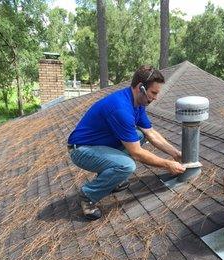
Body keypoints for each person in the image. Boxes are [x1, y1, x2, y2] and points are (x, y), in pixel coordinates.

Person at [67, 65, 186, 220]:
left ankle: (111, 180)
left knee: (139, 135)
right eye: (153, 93)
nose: (156, 97)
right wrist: (167, 164)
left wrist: (175, 154)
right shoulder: (121, 109)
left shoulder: (137, 103)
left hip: (99, 145)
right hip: (81, 150)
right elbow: (136, 153)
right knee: (127, 165)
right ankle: (88, 195)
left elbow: (150, 133)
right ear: (140, 87)